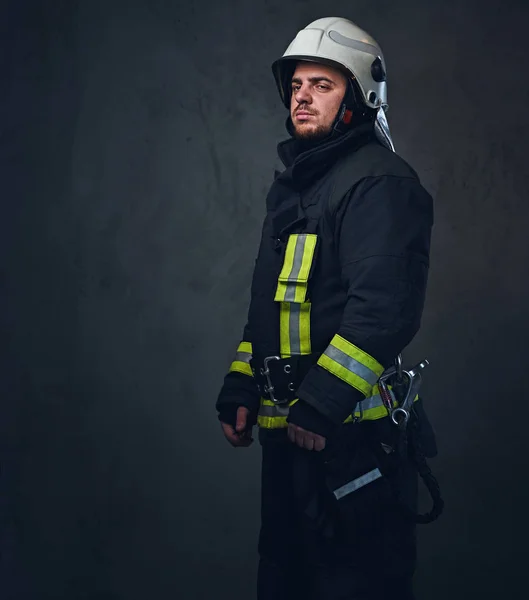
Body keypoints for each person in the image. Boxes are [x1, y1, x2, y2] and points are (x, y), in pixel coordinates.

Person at [215, 16, 438, 600]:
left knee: (354, 586)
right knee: (285, 582)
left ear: (359, 99)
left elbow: (385, 310)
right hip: (290, 447)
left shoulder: (381, 183)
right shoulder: (298, 189)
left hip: (353, 451)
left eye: (322, 84)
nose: (302, 96)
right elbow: (271, 313)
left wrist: (320, 404)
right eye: (296, 86)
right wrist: (242, 386)